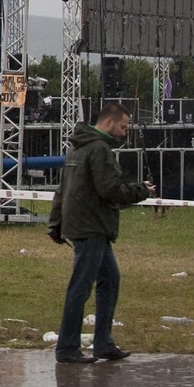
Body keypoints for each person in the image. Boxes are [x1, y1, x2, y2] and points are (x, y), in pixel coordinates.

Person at [49, 101, 154, 364]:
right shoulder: (99, 149)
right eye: (123, 126)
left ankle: (103, 343)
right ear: (109, 123)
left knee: (110, 280)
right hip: (92, 226)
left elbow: (63, 189)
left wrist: (56, 222)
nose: (124, 132)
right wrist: (141, 190)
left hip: (85, 225)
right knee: (81, 287)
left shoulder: (78, 147)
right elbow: (110, 190)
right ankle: (67, 348)